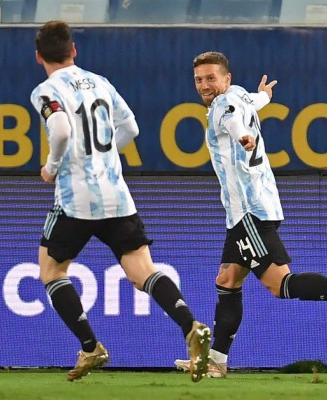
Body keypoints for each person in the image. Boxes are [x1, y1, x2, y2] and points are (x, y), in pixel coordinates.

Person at [175, 51, 327, 378]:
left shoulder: (222, 107)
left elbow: (233, 122)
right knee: (227, 280)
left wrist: (243, 136)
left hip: (250, 212)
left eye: (210, 78)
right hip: (247, 211)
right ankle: (216, 361)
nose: (204, 85)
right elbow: (254, 102)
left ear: (225, 79)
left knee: (279, 285)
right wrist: (266, 96)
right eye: (199, 80)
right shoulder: (240, 94)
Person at [30, 20, 210, 383]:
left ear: (38, 57)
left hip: (75, 200)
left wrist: (51, 166)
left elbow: (62, 129)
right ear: (74, 50)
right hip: (116, 194)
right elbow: (131, 129)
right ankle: (191, 327)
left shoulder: (46, 90)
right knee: (143, 271)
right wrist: (104, 158)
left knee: (51, 271)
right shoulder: (101, 82)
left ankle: (91, 346)